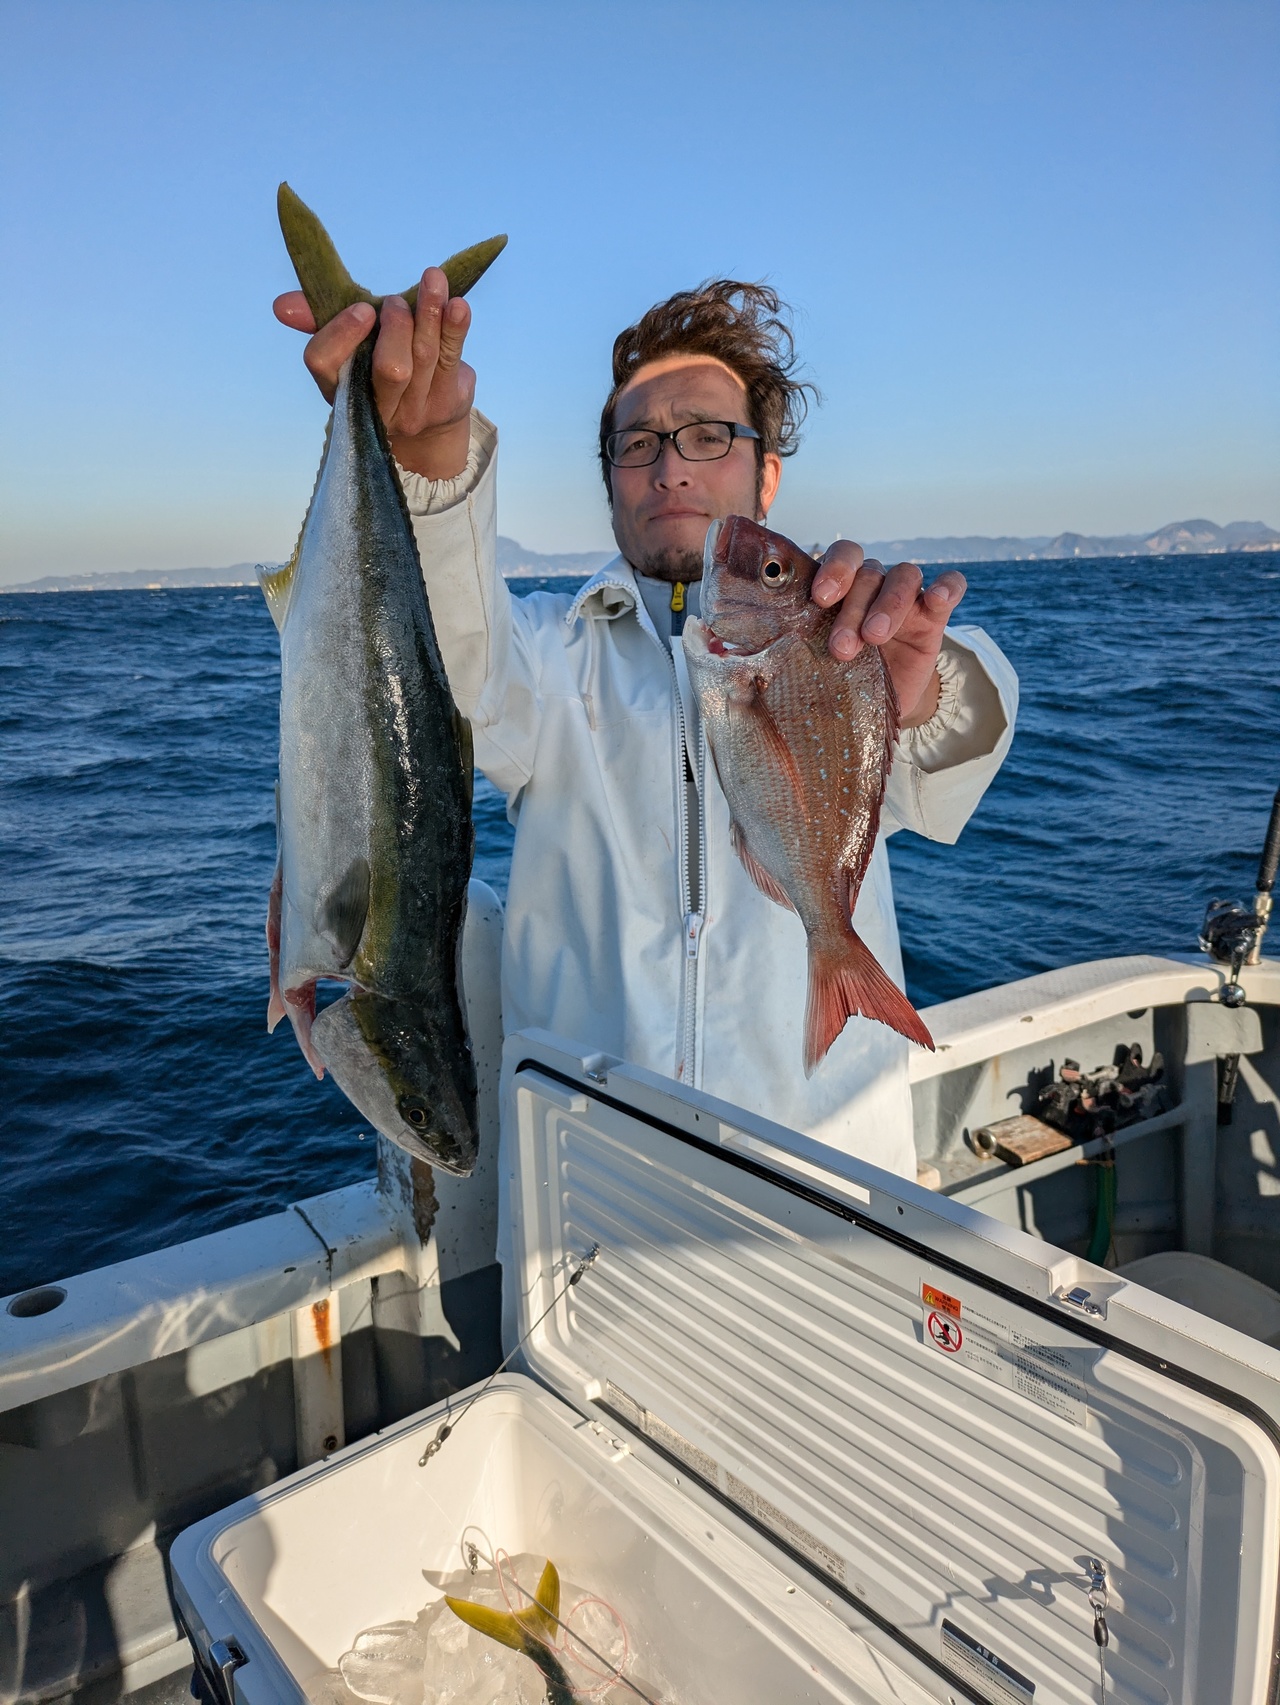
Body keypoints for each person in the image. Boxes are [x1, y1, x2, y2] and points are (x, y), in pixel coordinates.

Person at [274, 269, 1017, 1181]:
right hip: (584, 1210)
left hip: (833, 1200)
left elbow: (958, 746)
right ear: (610, 481)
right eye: (639, 444)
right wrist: (429, 458)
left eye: (709, 435)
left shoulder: (839, 651)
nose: (672, 467)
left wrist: (915, 690)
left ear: (768, 472)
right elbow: (446, 656)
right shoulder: (548, 656)